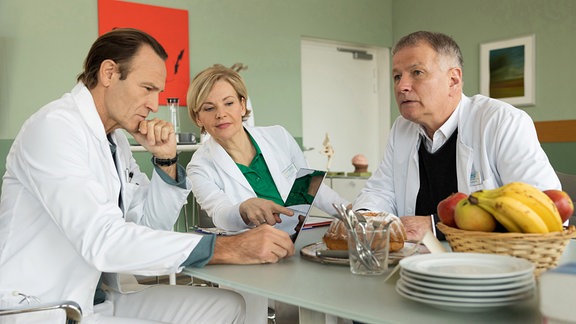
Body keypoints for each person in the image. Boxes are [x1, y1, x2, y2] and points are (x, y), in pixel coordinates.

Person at [0, 28, 294, 323]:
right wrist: (225, 248)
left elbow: (150, 225)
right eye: (147, 88)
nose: (155, 105)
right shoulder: (55, 128)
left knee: (227, 306)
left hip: (98, 298)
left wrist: (165, 161)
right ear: (109, 73)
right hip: (46, 306)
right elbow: (103, 241)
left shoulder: (114, 141)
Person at [353, 31, 560, 241]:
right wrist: (363, 219)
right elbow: (381, 191)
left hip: (488, 264)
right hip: (414, 260)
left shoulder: (502, 121)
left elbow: (544, 210)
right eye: (397, 76)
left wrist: (434, 226)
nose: (402, 86)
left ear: (453, 80)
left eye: (417, 72)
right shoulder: (401, 128)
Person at [186, 64, 348, 235]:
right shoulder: (199, 167)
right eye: (209, 108)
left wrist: (350, 213)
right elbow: (220, 213)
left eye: (228, 103)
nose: (221, 114)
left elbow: (310, 185)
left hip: (300, 236)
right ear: (198, 118)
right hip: (256, 247)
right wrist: (243, 209)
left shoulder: (278, 136)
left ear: (242, 105)